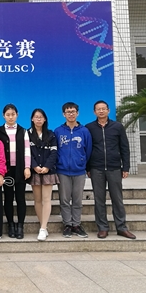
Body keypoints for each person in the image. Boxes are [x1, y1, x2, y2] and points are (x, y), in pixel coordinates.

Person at [86, 100, 136, 239]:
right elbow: (87, 149)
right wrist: (88, 168)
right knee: (99, 199)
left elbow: (124, 148)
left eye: (103, 109)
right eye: (98, 109)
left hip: (114, 168)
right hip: (96, 168)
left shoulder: (117, 127)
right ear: (94, 112)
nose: (101, 111)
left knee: (117, 199)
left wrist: (125, 167)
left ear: (108, 110)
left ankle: (121, 227)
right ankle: (102, 228)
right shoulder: (89, 128)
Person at [54, 102, 92, 238]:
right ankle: (67, 225)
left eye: (73, 111)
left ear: (77, 113)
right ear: (63, 114)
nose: (71, 114)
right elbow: (55, 150)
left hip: (79, 171)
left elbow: (88, 150)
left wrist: (82, 163)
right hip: (62, 170)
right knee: (64, 200)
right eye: (68, 112)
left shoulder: (84, 131)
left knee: (77, 200)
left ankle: (76, 224)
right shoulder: (58, 131)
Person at [0, 104, 31, 239]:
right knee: (8, 197)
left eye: (13, 114)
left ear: (17, 115)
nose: (10, 117)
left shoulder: (23, 131)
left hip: (20, 169)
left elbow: (27, 150)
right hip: (6, 170)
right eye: (8, 115)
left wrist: (27, 167)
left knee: (20, 198)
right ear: (3, 116)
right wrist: (0, 171)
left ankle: (20, 225)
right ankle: (10, 224)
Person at [28, 109, 59, 241]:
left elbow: (54, 152)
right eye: (36, 117)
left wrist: (47, 167)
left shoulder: (51, 134)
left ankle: (42, 228)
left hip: (48, 171)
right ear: (32, 119)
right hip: (34, 170)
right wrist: (34, 166)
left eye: (41, 117)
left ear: (45, 119)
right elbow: (26, 152)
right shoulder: (27, 134)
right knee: (37, 200)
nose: (39, 119)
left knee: (46, 199)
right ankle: (43, 226)